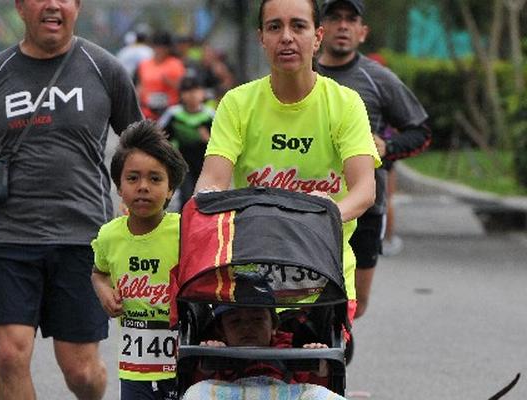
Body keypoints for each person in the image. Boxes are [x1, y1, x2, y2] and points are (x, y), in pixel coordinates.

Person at [0, 0, 142, 398]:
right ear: (20, 6)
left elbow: (139, 142)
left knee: (82, 373)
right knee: (10, 354)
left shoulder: (105, 69)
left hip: (83, 238)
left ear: (77, 7)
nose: (52, 5)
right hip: (11, 237)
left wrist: (135, 196)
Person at [194, 0, 381, 324]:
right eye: (275, 27)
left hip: (324, 277)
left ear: (317, 37)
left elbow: (364, 189)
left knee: (316, 371)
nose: (286, 37)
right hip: (249, 277)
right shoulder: (237, 104)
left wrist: (327, 212)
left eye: (298, 26)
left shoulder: (345, 104)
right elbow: (212, 182)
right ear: (261, 38)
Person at [316, 0, 430, 318]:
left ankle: (337, 342)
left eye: (351, 20)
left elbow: (420, 132)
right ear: (319, 30)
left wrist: (387, 147)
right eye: (334, 18)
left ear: (362, 32)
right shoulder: (301, 74)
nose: (342, 26)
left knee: (356, 304)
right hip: (308, 202)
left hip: (365, 206)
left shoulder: (379, 79)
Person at [91, 120, 188, 400]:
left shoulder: (185, 232)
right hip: (134, 368)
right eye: (133, 178)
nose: (143, 187)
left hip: (184, 364)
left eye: (155, 179)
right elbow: (98, 272)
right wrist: (104, 292)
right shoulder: (109, 235)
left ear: (171, 189)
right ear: (119, 187)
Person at [197, 273, 330, 385]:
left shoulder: (294, 355)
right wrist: (204, 369)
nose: (247, 327)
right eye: (235, 321)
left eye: (257, 319)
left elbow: (316, 392)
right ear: (222, 331)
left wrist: (321, 370)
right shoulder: (215, 359)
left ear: (274, 326)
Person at [158, 76, 214, 209]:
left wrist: (209, 139)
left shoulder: (210, 116)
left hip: (205, 166)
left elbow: (224, 141)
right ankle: (184, 225)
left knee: (204, 198)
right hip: (183, 164)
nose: (192, 95)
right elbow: (159, 136)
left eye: (196, 90)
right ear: (182, 94)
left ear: (202, 93)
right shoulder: (174, 115)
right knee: (186, 197)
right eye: (188, 91)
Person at [134, 31, 186, 120]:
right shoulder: (144, 64)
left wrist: (170, 82)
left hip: (168, 112)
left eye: (163, 48)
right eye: (157, 47)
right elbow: (140, 85)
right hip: (147, 111)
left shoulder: (176, 64)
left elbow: (184, 87)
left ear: (168, 49)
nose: (159, 50)